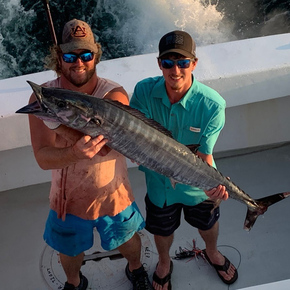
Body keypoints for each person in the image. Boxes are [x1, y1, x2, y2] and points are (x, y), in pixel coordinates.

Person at [28, 19, 153, 290]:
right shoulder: (44, 99)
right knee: (69, 251)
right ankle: (74, 282)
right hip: (66, 200)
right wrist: (73, 151)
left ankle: (135, 268)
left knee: (129, 241)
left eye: (86, 55)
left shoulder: (114, 94)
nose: (79, 62)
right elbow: (42, 157)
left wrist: (56, 120)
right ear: (59, 57)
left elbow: (105, 147)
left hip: (113, 193)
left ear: (96, 55)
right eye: (70, 55)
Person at [130, 30, 238, 290]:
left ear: (194, 63)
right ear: (159, 64)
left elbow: (204, 154)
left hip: (196, 184)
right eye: (168, 63)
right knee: (162, 230)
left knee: (208, 223)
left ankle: (212, 251)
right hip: (159, 183)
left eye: (182, 62)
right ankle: (165, 262)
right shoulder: (144, 92)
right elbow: (134, 138)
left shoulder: (212, 105)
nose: (175, 70)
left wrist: (215, 187)